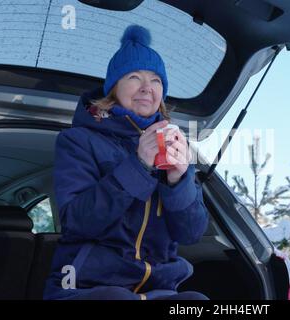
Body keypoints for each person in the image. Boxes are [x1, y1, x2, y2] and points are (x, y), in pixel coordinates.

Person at [43, 25, 209, 300]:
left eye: (156, 80)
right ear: (113, 87)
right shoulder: (78, 141)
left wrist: (179, 182)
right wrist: (139, 166)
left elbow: (191, 234)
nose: (147, 87)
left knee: (196, 302)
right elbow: (76, 222)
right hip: (85, 285)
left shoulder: (174, 144)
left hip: (157, 289)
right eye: (134, 76)